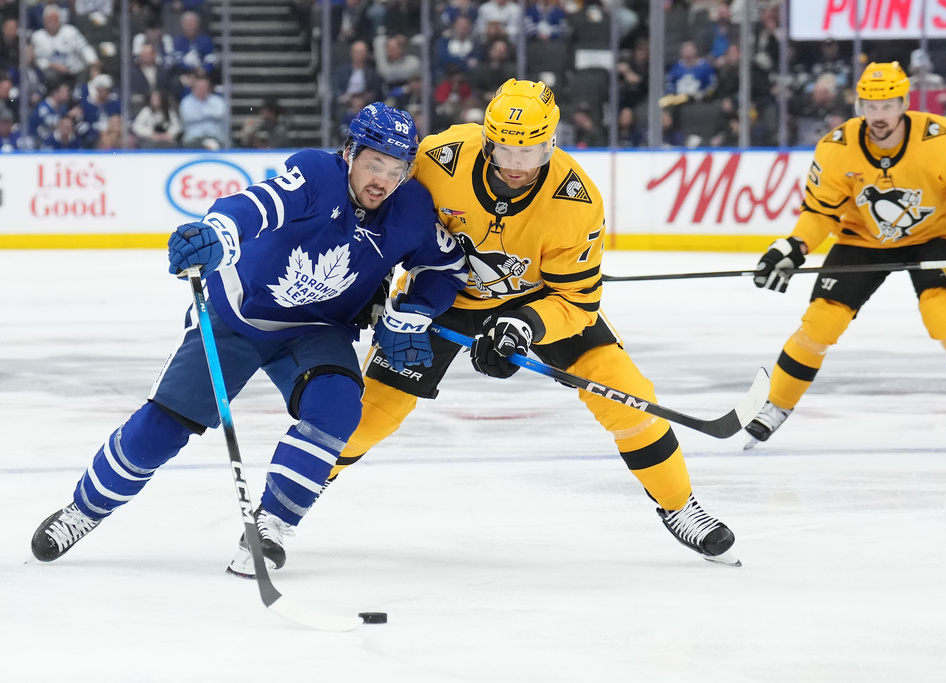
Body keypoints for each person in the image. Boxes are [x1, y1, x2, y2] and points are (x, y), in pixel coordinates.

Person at [228, 78, 741, 574]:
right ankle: (273, 515)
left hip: (537, 302)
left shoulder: (576, 201)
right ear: (487, 138)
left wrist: (523, 325)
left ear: (552, 144)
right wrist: (375, 288)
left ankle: (679, 506)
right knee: (368, 416)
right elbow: (377, 211)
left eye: (532, 152)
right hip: (437, 298)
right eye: (506, 150)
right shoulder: (436, 158)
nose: (517, 166)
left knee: (625, 391)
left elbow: (578, 302)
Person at [30, 102, 469, 568]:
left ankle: (272, 525)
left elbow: (445, 268)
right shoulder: (318, 175)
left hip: (318, 329)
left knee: (338, 406)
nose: (381, 178)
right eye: (373, 163)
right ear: (349, 153)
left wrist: (416, 312)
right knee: (163, 427)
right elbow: (257, 206)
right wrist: (219, 234)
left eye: (395, 168)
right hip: (238, 314)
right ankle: (83, 510)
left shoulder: (412, 209)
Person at [745, 62, 946, 450]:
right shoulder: (836, 148)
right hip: (861, 239)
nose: (879, 116)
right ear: (859, 105)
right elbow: (821, 212)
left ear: (904, 103)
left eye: (888, 105)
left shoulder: (939, 139)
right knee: (820, 323)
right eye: (870, 106)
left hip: (936, 236)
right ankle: (776, 406)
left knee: (945, 318)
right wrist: (796, 246)